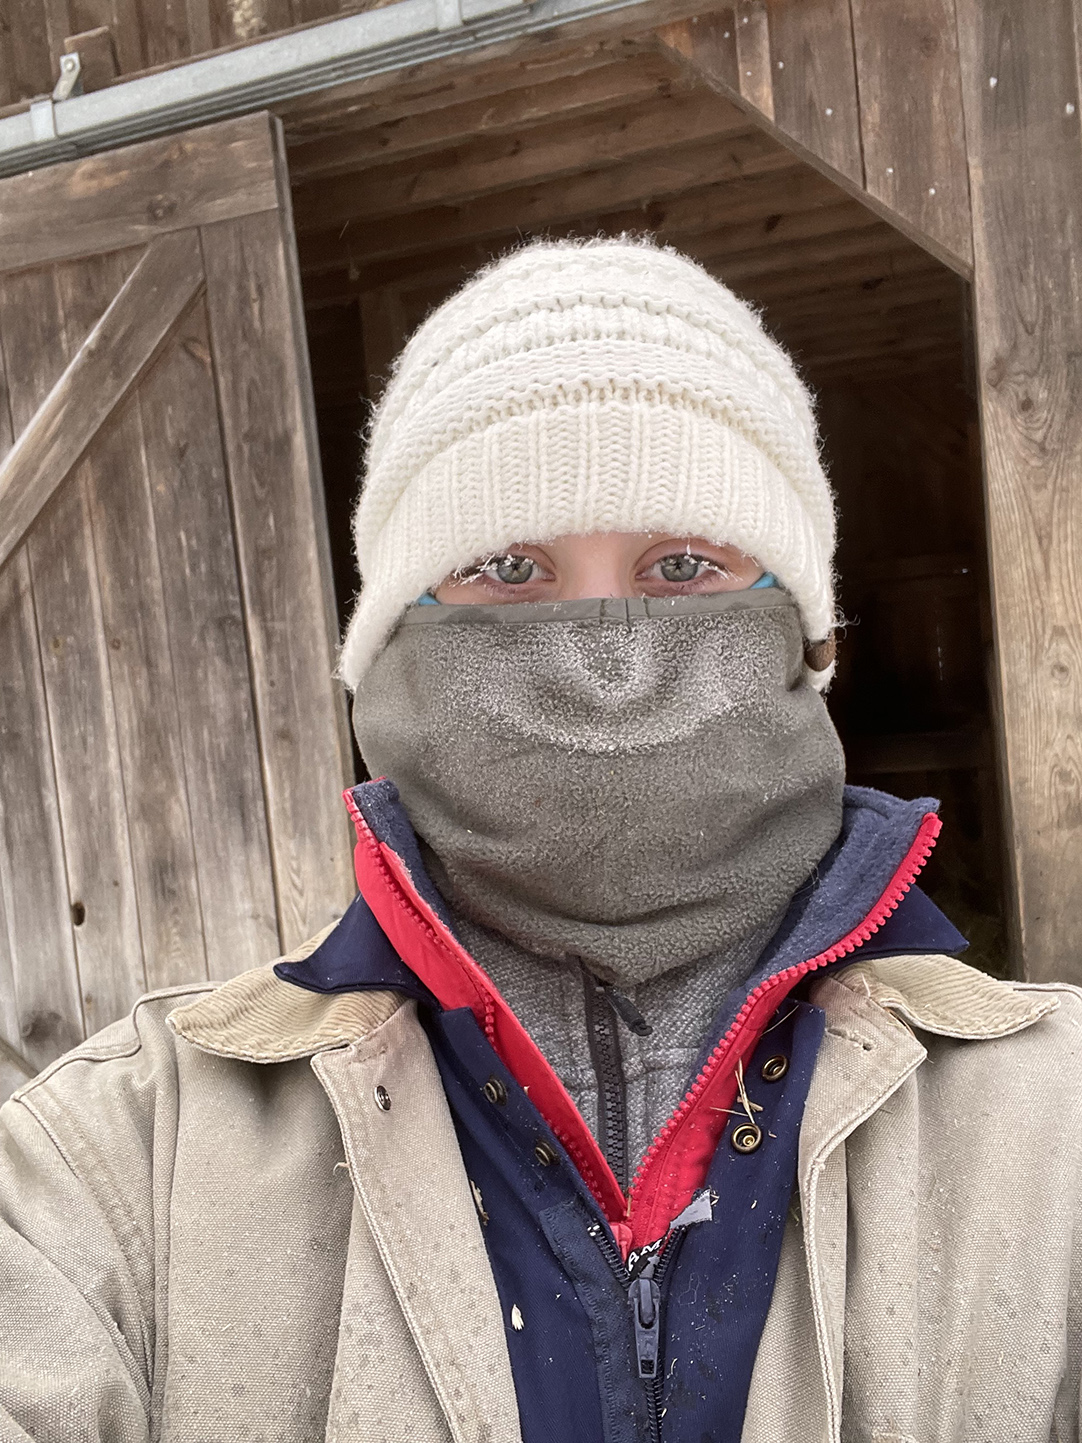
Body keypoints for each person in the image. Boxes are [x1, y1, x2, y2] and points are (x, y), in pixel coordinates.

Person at [1, 238, 1081, 1443]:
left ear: (806, 636)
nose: (604, 657)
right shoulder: (117, 1168)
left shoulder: (1055, 1130)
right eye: (506, 566)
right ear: (381, 650)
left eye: (683, 564)